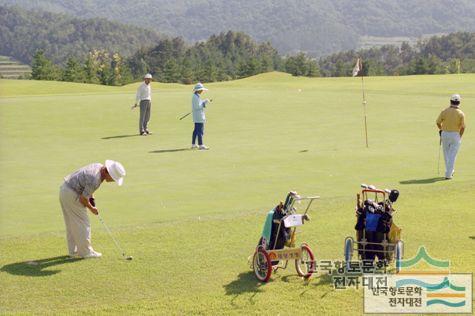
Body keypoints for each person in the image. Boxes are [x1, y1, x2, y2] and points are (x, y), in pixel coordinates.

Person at [60, 160, 126, 258]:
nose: (113, 181)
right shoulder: (95, 179)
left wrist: (91, 198)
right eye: (113, 178)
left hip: (65, 190)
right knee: (83, 223)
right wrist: (92, 209)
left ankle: (73, 252)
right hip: (72, 194)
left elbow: (87, 188)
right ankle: (86, 252)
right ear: (108, 173)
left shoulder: (98, 166)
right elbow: (83, 199)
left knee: (72, 224)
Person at [436, 94, 465, 180]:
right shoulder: (461, 113)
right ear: (459, 102)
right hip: (455, 134)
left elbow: (438, 122)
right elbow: (463, 127)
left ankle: (450, 171)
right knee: (452, 155)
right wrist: (460, 136)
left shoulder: (444, 111)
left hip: (444, 134)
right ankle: (448, 174)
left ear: (450, 101)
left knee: (447, 154)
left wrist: (441, 130)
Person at [191, 82, 212, 150]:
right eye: (201, 90)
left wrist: (203, 101)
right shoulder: (195, 97)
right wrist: (204, 103)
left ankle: (193, 144)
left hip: (197, 116)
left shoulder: (196, 96)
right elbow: (198, 106)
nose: (202, 91)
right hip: (198, 116)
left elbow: (198, 104)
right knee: (200, 131)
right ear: (198, 90)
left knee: (196, 130)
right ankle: (201, 145)